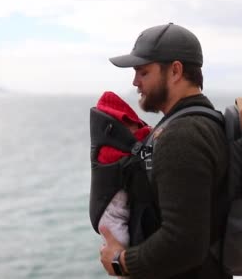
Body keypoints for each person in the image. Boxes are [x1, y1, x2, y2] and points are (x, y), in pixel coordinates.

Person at [99, 23, 230, 278]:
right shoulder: (206, 121)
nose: (135, 82)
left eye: (143, 72)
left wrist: (121, 261)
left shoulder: (182, 136)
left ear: (175, 71)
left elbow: (184, 242)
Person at [94, 91, 151, 248]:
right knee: (121, 246)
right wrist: (148, 131)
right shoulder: (108, 149)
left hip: (114, 215)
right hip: (110, 218)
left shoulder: (110, 142)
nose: (134, 129)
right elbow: (137, 148)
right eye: (130, 125)